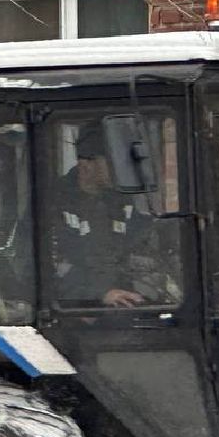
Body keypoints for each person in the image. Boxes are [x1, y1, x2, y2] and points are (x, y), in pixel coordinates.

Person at [52, 123, 170, 308]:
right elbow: (37, 271)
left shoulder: (123, 203)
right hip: (68, 317)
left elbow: (146, 248)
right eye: (112, 162)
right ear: (86, 165)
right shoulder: (51, 205)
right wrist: (98, 294)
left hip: (122, 312)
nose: (120, 169)